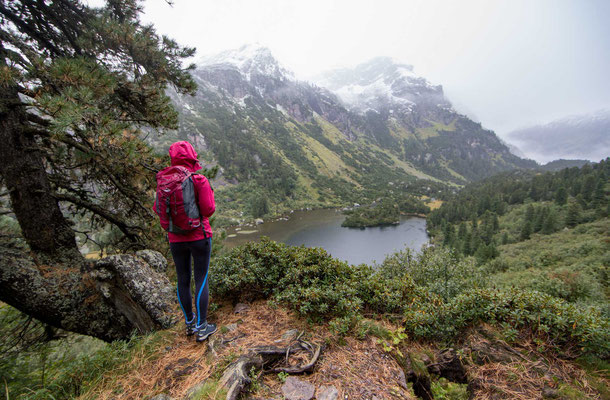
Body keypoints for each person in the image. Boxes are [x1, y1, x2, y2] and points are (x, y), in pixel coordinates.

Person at [154, 141, 217, 342]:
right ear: (192, 157)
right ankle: (202, 326)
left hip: (175, 239)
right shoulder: (198, 180)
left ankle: (189, 324)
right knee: (201, 279)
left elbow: (157, 209)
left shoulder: (164, 181)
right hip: (199, 236)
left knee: (183, 279)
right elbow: (208, 210)